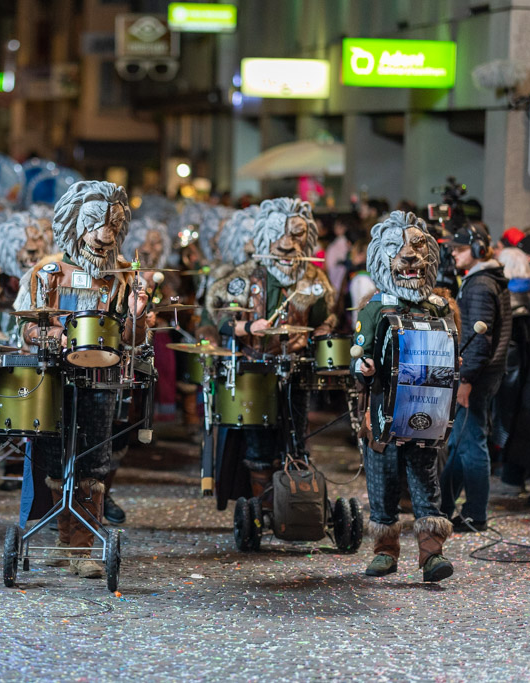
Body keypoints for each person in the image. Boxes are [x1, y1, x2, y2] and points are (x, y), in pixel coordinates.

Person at [14, 180, 148, 579]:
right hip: (53, 380)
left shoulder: (123, 278)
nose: (104, 237)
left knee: (93, 463)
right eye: (95, 225)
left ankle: (83, 547)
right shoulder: (48, 272)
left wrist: (140, 311)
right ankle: (63, 540)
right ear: (76, 224)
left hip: (101, 381)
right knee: (55, 459)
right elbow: (25, 327)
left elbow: (132, 338)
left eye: (112, 227)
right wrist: (50, 334)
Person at [205, 197, 336, 519]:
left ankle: (292, 505)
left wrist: (315, 332)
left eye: (296, 237)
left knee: (297, 439)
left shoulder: (313, 279)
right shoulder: (244, 277)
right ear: (266, 237)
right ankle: (263, 508)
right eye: (281, 236)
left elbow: (326, 317)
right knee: (259, 444)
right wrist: (249, 326)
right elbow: (219, 320)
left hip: (296, 371)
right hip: (255, 372)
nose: (288, 245)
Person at [352, 210, 456, 582]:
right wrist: (362, 367)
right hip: (382, 408)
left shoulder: (439, 307)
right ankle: (385, 551)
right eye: (398, 249)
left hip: (426, 409)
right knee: (383, 479)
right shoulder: (376, 307)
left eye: (416, 247)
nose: (409, 256)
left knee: (426, 477)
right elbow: (359, 353)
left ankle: (431, 554)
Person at [440, 223, 511, 531]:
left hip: (476, 376)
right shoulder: (484, 279)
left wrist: (465, 379)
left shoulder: (481, 285)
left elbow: (479, 340)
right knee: (459, 442)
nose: (453, 254)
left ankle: (475, 515)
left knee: (471, 443)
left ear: (479, 250)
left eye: (459, 249)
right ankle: (442, 507)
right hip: (482, 373)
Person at [492, 247, 530, 490]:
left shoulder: (510, 295)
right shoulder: (529, 291)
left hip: (511, 367)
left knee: (505, 418)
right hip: (524, 366)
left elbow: (508, 338)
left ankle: (506, 469)